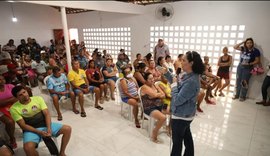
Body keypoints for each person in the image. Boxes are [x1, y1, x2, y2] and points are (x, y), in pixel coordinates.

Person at [10, 86, 71, 156]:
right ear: (17, 98)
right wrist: (39, 132)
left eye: (24, 92)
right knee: (28, 148)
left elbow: (47, 114)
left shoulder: (38, 99)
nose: (24, 95)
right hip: (31, 129)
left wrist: (49, 128)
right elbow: (23, 125)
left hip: (44, 124)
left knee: (67, 129)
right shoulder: (14, 108)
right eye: (20, 95)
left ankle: (62, 153)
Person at [170, 51, 205, 156]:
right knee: (187, 139)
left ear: (191, 63)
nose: (181, 62)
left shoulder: (191, 81)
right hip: (186, 114)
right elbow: (180, 85)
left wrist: (174, 85)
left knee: (177, 143)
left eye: (184, 60)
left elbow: (177, 100)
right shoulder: (190, 75)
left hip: (181, 116)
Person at [140, 73, 166, 143]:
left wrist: (157, 95)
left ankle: (168, 128)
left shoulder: (154, 85)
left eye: (153, 78)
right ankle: (154, 132)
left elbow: (163, 95)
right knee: (163, 117)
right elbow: (154, 95)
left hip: (159, 105)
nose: (152, 80)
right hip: (149, 108)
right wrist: (156, 95)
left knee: (173, 110)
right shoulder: (144, 87)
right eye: (150, 79)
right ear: (146, 80)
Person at [0, 75, 17, 149]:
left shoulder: (10, 86)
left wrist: (4, 102)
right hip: (0, 110)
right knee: (9, 122)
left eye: (3, 78)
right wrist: (11, 99)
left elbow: (17, 97)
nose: (2, 80)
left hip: (14, 106)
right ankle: (12, 138)